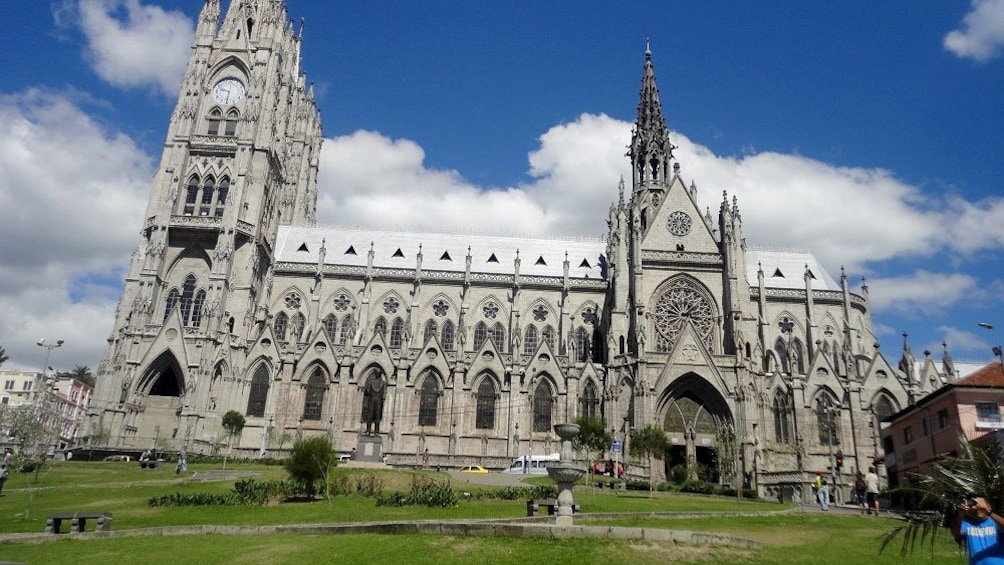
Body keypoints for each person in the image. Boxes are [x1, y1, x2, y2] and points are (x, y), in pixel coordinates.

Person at [951, 494, 1004, 564]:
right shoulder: (967, 525)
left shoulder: (996, 523)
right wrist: (960, 515)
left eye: (979, 503)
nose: (977, 507)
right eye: (974, 504)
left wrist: (989, 512)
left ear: (988, 506)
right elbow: (955, 533)